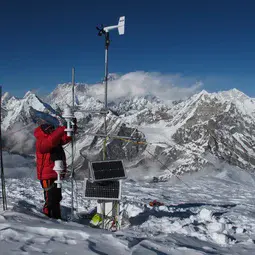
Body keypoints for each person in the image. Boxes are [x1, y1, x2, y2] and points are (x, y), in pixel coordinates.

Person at [34, 120, 75, 219]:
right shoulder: (42, 141)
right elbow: (50, 141)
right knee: (50, 199)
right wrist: (61, 129)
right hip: (47, 175)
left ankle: (56, 218)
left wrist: (72, 126)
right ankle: (49, 218)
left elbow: (65, 138)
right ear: (45, 131)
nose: (53, 131)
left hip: (55, 173)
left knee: (56, 198)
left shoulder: (52, 140)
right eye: (51, 130)